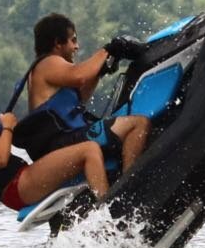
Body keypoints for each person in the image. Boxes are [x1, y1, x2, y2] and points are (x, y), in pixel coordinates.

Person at [9, 13, 150, 173]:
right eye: (73, 40)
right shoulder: (48, 62)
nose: (77, 47)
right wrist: (108, 49)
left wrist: (101, 71)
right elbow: (80, 76)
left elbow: (81, 97)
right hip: (60, 143)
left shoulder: (51, 70)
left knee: (123, 127)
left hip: (61, 141)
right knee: (138, 123)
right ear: (57, 43)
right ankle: (128, 185)